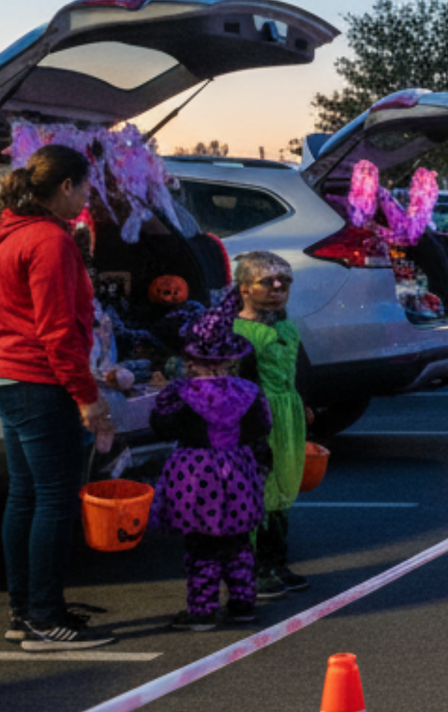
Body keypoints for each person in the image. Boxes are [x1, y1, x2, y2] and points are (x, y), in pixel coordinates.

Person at [0, 145, 116, 651]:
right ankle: (43, 617)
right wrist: (87, 398)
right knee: (54, 497)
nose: (87, 197)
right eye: (85, 187)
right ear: (66, 186)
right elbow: (58, 330)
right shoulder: (49, 241)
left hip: (5, 377)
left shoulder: (5, 235)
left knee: (25, 494)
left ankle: (27, 609)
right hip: (38, 381)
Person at [151, 298, 272, 630]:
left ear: (190, 361)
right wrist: (262, 463)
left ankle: (202, 610)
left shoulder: (177, 394)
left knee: (201, 543)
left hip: (195, 475)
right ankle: (243, 603)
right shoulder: (248, 391)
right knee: (238, 541)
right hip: (239, 469)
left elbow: (161, 426)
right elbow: (261, 428)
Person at [229, 252, 310, 599]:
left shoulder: (287, 328)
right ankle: (255, 568)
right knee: (259, 492)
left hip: (287, 416)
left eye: (284, 282)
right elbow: (240, 382)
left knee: (284, 488)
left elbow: (299, 367)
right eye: (267, 282)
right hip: (257, 417)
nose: (278, 288)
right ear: (245, 288)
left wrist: (303, 402)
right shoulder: (240, 332)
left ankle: (277, 560)